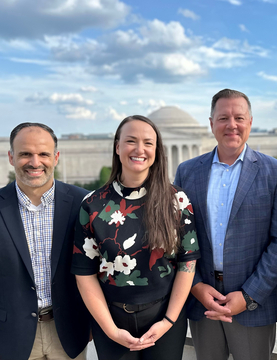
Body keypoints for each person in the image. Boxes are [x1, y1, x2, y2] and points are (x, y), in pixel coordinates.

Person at [174, 89, 277, 360]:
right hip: (203, 301)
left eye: (239, 117)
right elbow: (177, 237)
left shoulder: (275, 172)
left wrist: (249, 295)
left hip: (253, 305)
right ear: (211, 123)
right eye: (223, 118)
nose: (232, 125)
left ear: (250, 122)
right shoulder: (187, 171)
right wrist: (195, 285)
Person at [72, 115, 200, 360]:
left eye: (148, 143)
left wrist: (168, 321)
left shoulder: (177, 200)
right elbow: (84, 272)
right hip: (111, 321)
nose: (139, 149)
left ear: (156, 150)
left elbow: (188, 263)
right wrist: (110, 330)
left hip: (164, 318)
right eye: (131, 141)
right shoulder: (92, 205)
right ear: (117, 147)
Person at [0, 123, 90, 360]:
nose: (35, 162)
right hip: (10, 338)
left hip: (69, 334)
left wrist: (95, 323)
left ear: (56, 157)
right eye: (25, 154)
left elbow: (96, 269)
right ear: (11, 157)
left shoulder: (83, 202)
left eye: (43, 154)